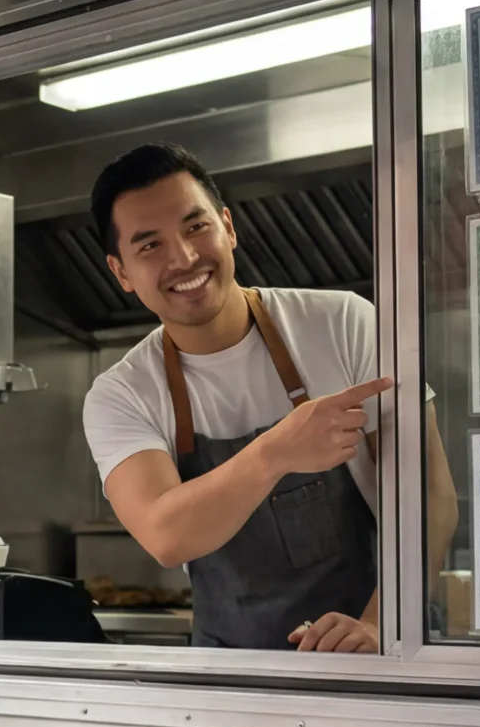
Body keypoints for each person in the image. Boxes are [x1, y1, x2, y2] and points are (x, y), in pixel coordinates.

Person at [80, 143, 456, 653]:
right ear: (121, 272)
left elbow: (430, 498)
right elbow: (166, 535)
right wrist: (277, 451)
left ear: (228, 227)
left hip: (376, 654)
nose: (184, 258)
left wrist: (378, 624)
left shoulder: (344, 324)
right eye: (150, 245)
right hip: (230, 675)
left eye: (196, 227)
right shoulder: (123, 393)